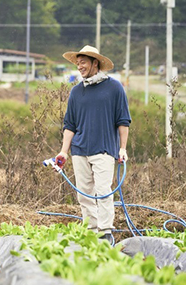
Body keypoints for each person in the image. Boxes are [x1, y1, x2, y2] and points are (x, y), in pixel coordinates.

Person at [55, 45, 131, 243]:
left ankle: (105, 231)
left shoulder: (114, 88)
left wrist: (122, 148)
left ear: (95, 63)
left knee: (104, 191)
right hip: (80, 150)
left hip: (105, 149)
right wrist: (64, 151)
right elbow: (69, 125)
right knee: (84, 194)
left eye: (83, 63)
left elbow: (123, 121)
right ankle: (90, 230)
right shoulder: (76, 92)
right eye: (77, 63)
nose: (79, 67)